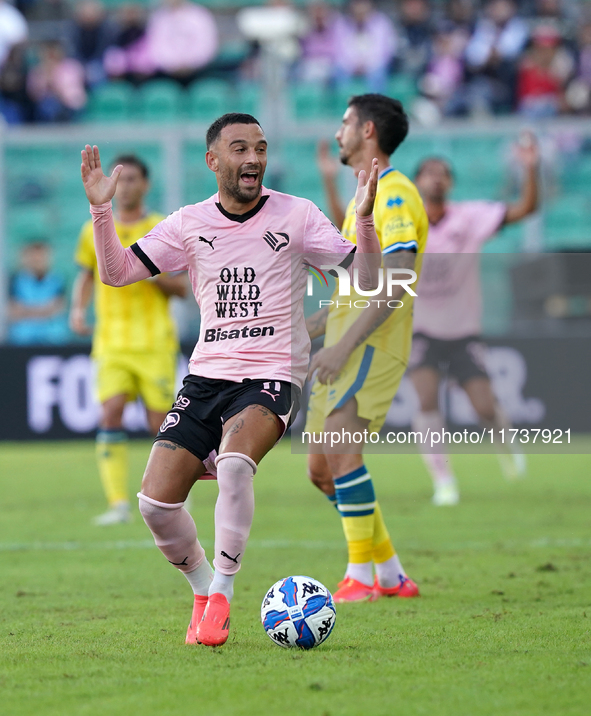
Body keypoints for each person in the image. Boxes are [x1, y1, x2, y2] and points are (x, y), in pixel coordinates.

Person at [79, 112, 382, 646]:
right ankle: (199, 588)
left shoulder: (298, 215)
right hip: (205, 379)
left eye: (260, 148)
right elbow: (115, 272)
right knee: (154, 504)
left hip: (271, 375)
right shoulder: (189, 223)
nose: (254, 159)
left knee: (237, 465)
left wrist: (365, 222)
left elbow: (369, 279)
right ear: (213, 161)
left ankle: (221, 594)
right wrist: (101, 208)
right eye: (240, 149)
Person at [305, 94, 428, 604]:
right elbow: (352, 291)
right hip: (348, 341)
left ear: (369, 130)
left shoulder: (393, 195)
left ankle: (360, 576)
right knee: (320, 469)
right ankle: (393, 575)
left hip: (371, 345)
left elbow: (395, 284)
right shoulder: (366, 198)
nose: (339, 132)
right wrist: (302, 328)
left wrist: (341, 347)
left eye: (345, 122)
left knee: (340, 448)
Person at [410, 138, 539, 506]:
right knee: (426, 400)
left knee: (484, 407)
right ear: (416, 181)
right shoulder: (402, 223)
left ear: (450, 183)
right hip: (421, 329)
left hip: (463, 330)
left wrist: (530, 167)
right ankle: (444, 482)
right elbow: (351, 222)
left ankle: (507, 446)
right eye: (429, 173)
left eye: (443, 174)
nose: (436, 179)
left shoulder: (470, 217)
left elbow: (527, 208)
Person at [71, 154, 186, 526]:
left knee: (160, 423)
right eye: (121, 180)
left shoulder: (160, 228)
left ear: (146, 185)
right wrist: (77, 309)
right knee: (110, 412)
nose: (126, 187)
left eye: (133, 179)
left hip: (154, 343)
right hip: (111, 342)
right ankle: (118, 502)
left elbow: (182, 288)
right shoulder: (94, 229)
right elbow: (87, 273)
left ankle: (170, 496)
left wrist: (147, 273)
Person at [8, 239, 69, 344]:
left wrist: (27, 310)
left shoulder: (58, 279)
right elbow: (13, 311)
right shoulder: (15, 280)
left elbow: (58, 308)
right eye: (34, 256)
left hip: (53, 338)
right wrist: (45, 310)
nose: (37, 260)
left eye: (41, 256)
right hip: (22, 339)